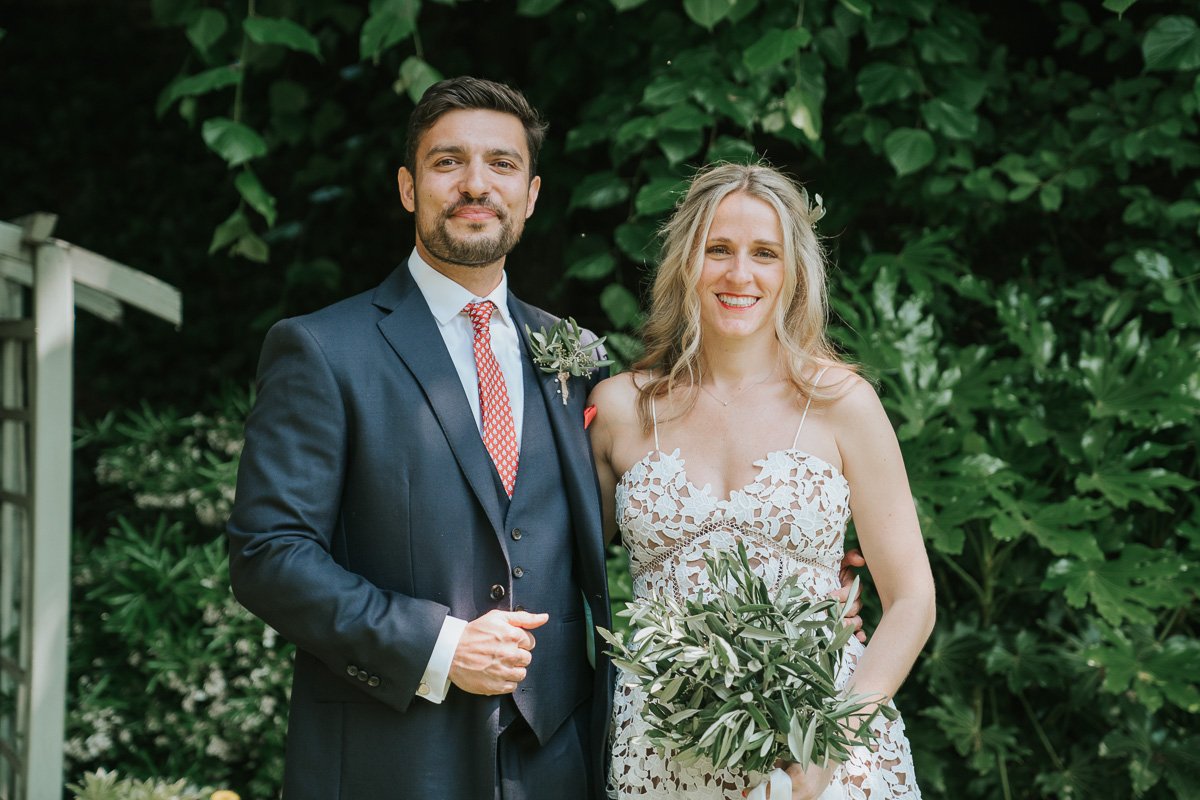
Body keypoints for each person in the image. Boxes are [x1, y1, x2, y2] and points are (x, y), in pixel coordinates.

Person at [227, 77, 613, 800]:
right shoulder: (320, 349)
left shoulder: (579, 356)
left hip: (559, 762)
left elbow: (638, 514)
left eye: (502, 165)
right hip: (392, 759)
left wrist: (806, 565)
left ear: (530, 195)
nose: (476, 184)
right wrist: (440, 647)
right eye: (448, 163)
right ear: (408, 187)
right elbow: (267, 554)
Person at [588, 162, 936, 800]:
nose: (738, 274)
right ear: (686, 261)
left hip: (824, 740)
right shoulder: (617, 409)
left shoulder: (843, 403)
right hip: (663, 748)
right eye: (717, 249)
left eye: (764, 253)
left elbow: (913, 598)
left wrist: (828, 746)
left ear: (794, 271)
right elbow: (557, 572)